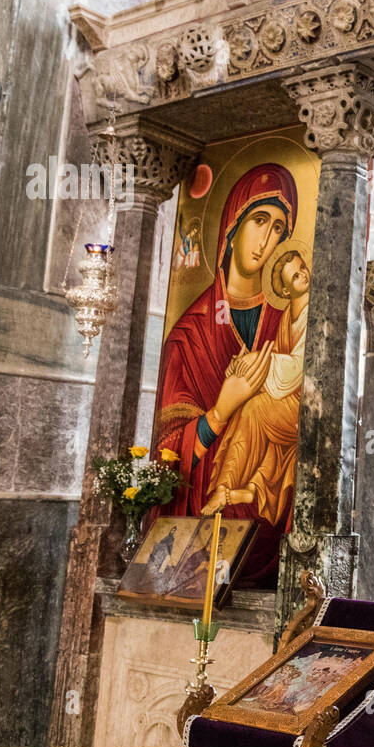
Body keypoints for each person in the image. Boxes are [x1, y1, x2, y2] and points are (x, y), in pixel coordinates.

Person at [152, 163, 299, 584]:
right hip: (199, 531)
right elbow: (167, 452)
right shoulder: (189, 333)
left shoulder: (285, 324)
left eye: (278, 230)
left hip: (261, 527)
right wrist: (220, 411)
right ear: (233, 224)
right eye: (259, 221)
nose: (267, 240)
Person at [203, 242, 320, 523]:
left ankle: (226, 487)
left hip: (308, 407)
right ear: (284, 290)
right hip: (287, 402)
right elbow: (280, 365)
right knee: (252, 413)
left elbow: (300, 366)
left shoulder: (314, 313)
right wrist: (247, 365)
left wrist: (261, 362)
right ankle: (240, 490)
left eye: (302, 269)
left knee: (253, 409)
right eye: (295, 276)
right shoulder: (285, 318)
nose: (303, 275)